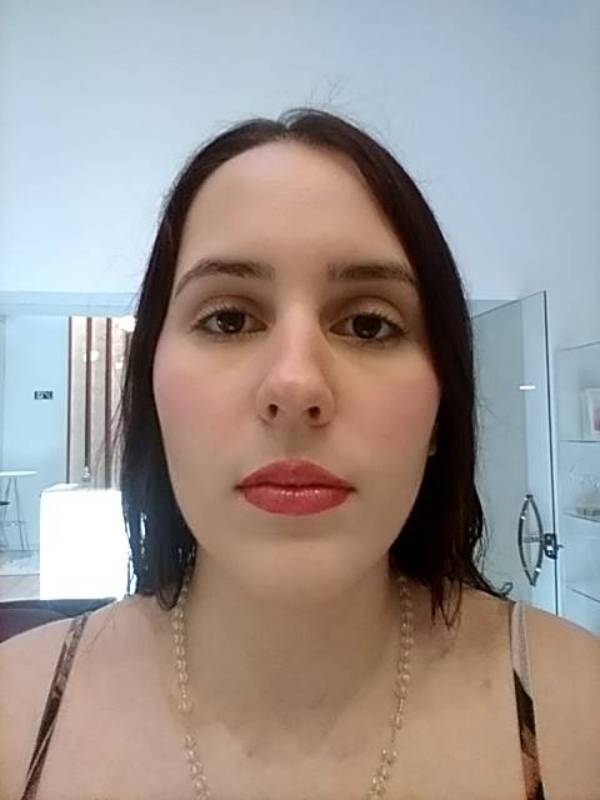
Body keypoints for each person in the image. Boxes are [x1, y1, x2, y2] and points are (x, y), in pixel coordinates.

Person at [1, 107, 598, 800]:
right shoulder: (16, 713)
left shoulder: (578, 713)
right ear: (151, 387)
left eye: (369, 325)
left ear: (442, 407)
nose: (295, 385)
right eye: (228, 318)